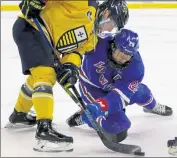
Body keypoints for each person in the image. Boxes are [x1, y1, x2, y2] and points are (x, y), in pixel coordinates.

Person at [5, 0, 129, 152]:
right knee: (45, 74)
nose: (109, 30)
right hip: (31, 27)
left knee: (36, 79)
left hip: (47, 42)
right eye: (111, 24)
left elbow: (76, 52)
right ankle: (44, 132)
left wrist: (71, 68)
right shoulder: (86, 4)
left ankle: (19, 115)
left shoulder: (92, 38)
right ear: (106, 13)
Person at [66, 29, 173, 143]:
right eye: (120, 53)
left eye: (127, 56)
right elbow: (74, 46)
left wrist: (101, 107)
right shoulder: (97, 43)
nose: (123, 59)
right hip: (92, 89)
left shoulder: (136, 68)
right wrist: (68, 65)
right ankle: (86, 116)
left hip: (116, 91)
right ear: (113, 46)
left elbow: (119, 98)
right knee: (119, 127)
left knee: (142, 92)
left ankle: (153, 106)